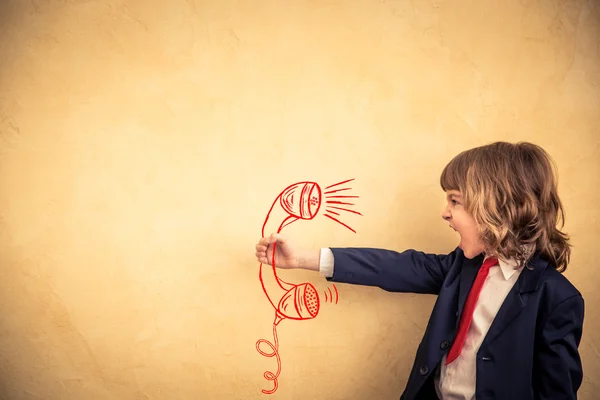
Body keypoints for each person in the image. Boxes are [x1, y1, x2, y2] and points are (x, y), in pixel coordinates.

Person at [254, 141, 585, 400]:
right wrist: (302, 259)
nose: (445, 213)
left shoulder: (556, 298)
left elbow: (556, 392)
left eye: (455, 201)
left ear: (495, 206)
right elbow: (394, 267)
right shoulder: (462, 266)